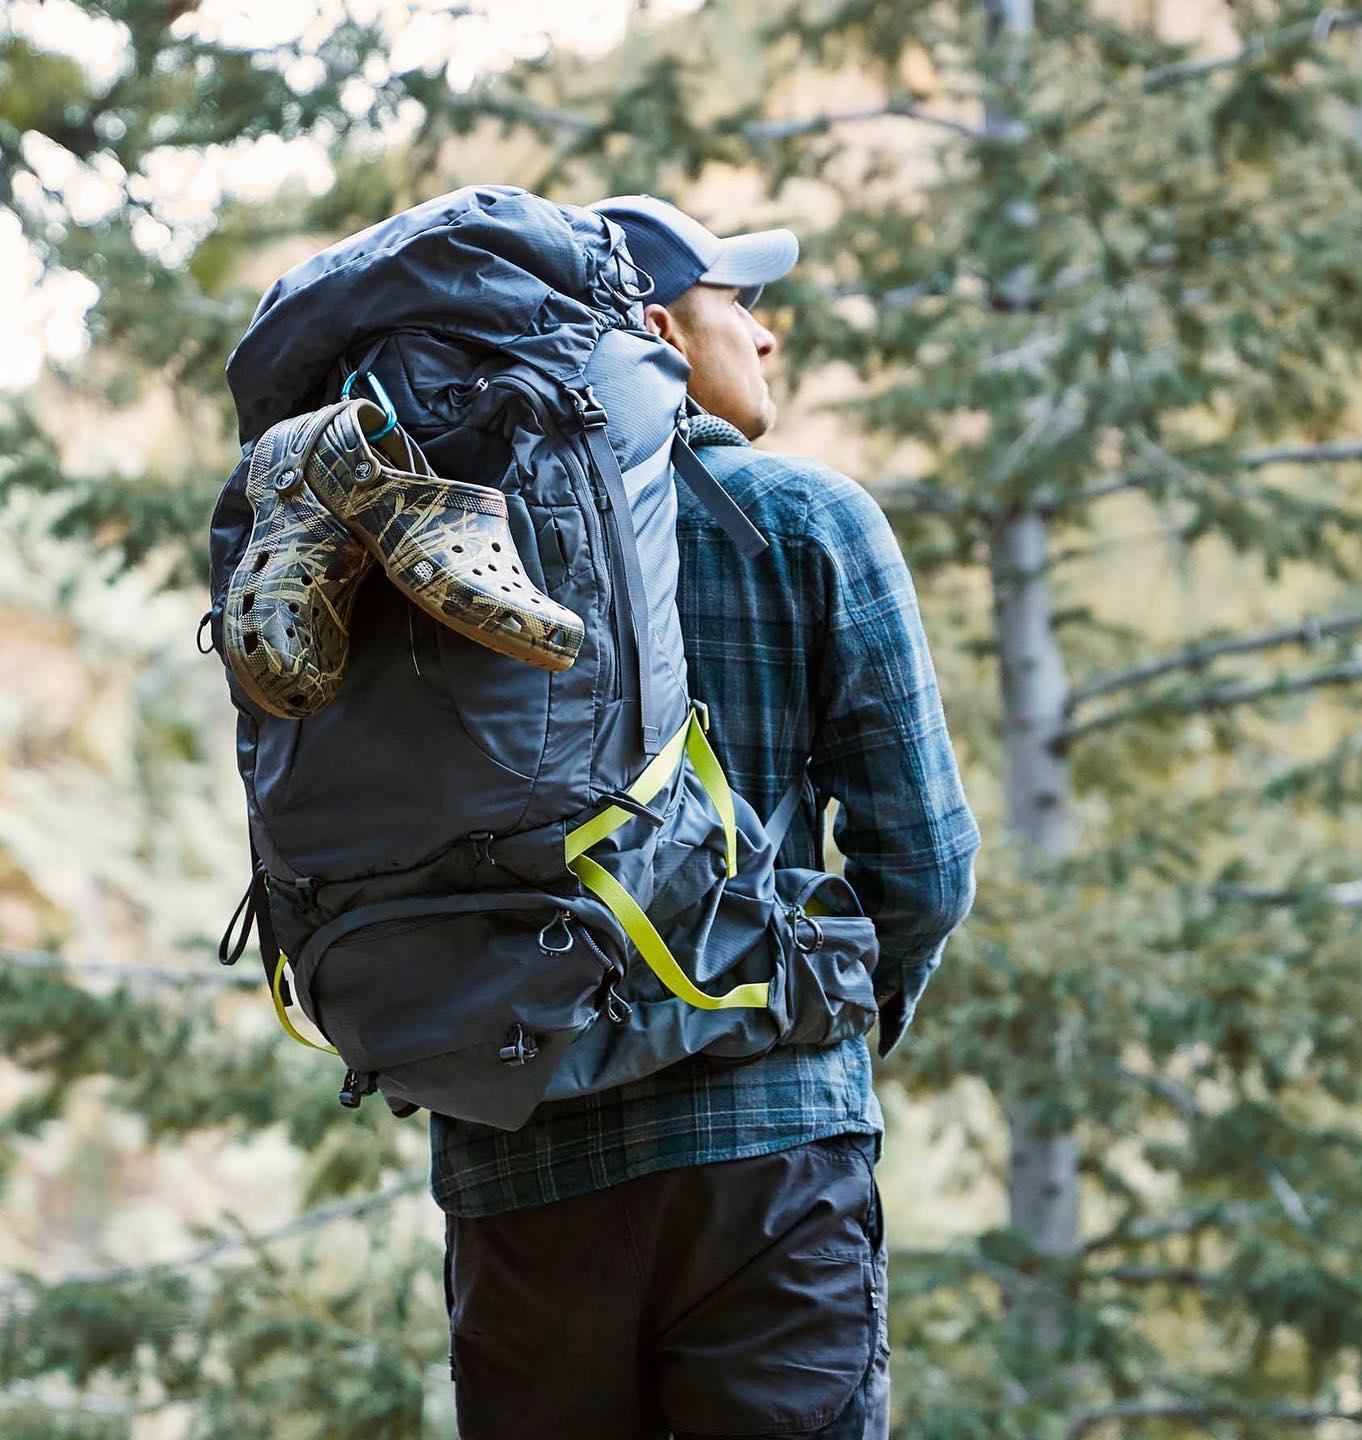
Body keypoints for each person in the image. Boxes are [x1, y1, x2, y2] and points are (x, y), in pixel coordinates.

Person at [432, 195, 980, 1440]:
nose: (767, 338)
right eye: (742, 303)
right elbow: (926, 863)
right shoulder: (805, 520)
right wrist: (827, 1021)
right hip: (765, 1163)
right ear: (659, 331)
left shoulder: (445, 560)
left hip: (522, 1175)